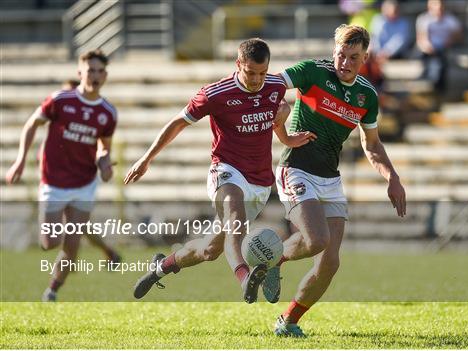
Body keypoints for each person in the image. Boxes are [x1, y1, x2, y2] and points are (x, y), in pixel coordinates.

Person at [124, 38, 316, 304]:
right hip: (226, 170)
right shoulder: (216, 93)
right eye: (250, 73)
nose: (257, 79)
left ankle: (162, 266)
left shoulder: (274, 86)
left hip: (259, 182)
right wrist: (147, 158)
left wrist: (286, 136)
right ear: (238, 64)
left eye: (262, 72)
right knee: (234, 219)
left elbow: (277, 115)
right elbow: (178, 122)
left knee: (209, 249)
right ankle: (245, 279)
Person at [268, 24, 407, 337]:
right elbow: (271, 86)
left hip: (330, 177)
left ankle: (287, 321)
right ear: (334, 52)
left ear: (365, 58)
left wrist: (392, 177)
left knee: (330, 262)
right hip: (297, 167)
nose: (345, 63)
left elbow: (372, 144)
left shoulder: (366, 96)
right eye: (341, 55)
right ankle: (273, 260)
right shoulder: (313, 72)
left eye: (353, 57)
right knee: (316, 239)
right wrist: (284, 132)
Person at [5, 49, 118, 302]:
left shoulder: (108, 112)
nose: (95, 76)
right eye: (90, 70)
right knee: (50, 243)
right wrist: (20, 160)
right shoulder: (60, 100)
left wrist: (104, 163)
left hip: (84, 182)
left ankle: (52, 291)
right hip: (53, 182)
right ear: (80, 73)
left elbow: (104, 146)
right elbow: (32, 124)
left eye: (100, 71)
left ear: (106, 75)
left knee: (73, 243)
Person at [415, 0, 462, 92]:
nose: (438, 9)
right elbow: (421, 38)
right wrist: (427, 46)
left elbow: (458, 36)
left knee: (439, 62)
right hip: (428, 50)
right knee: (433, 62)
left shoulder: (451, 20)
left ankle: (436, 87)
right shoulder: (424, 19)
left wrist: (450, 40)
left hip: (444, 48)